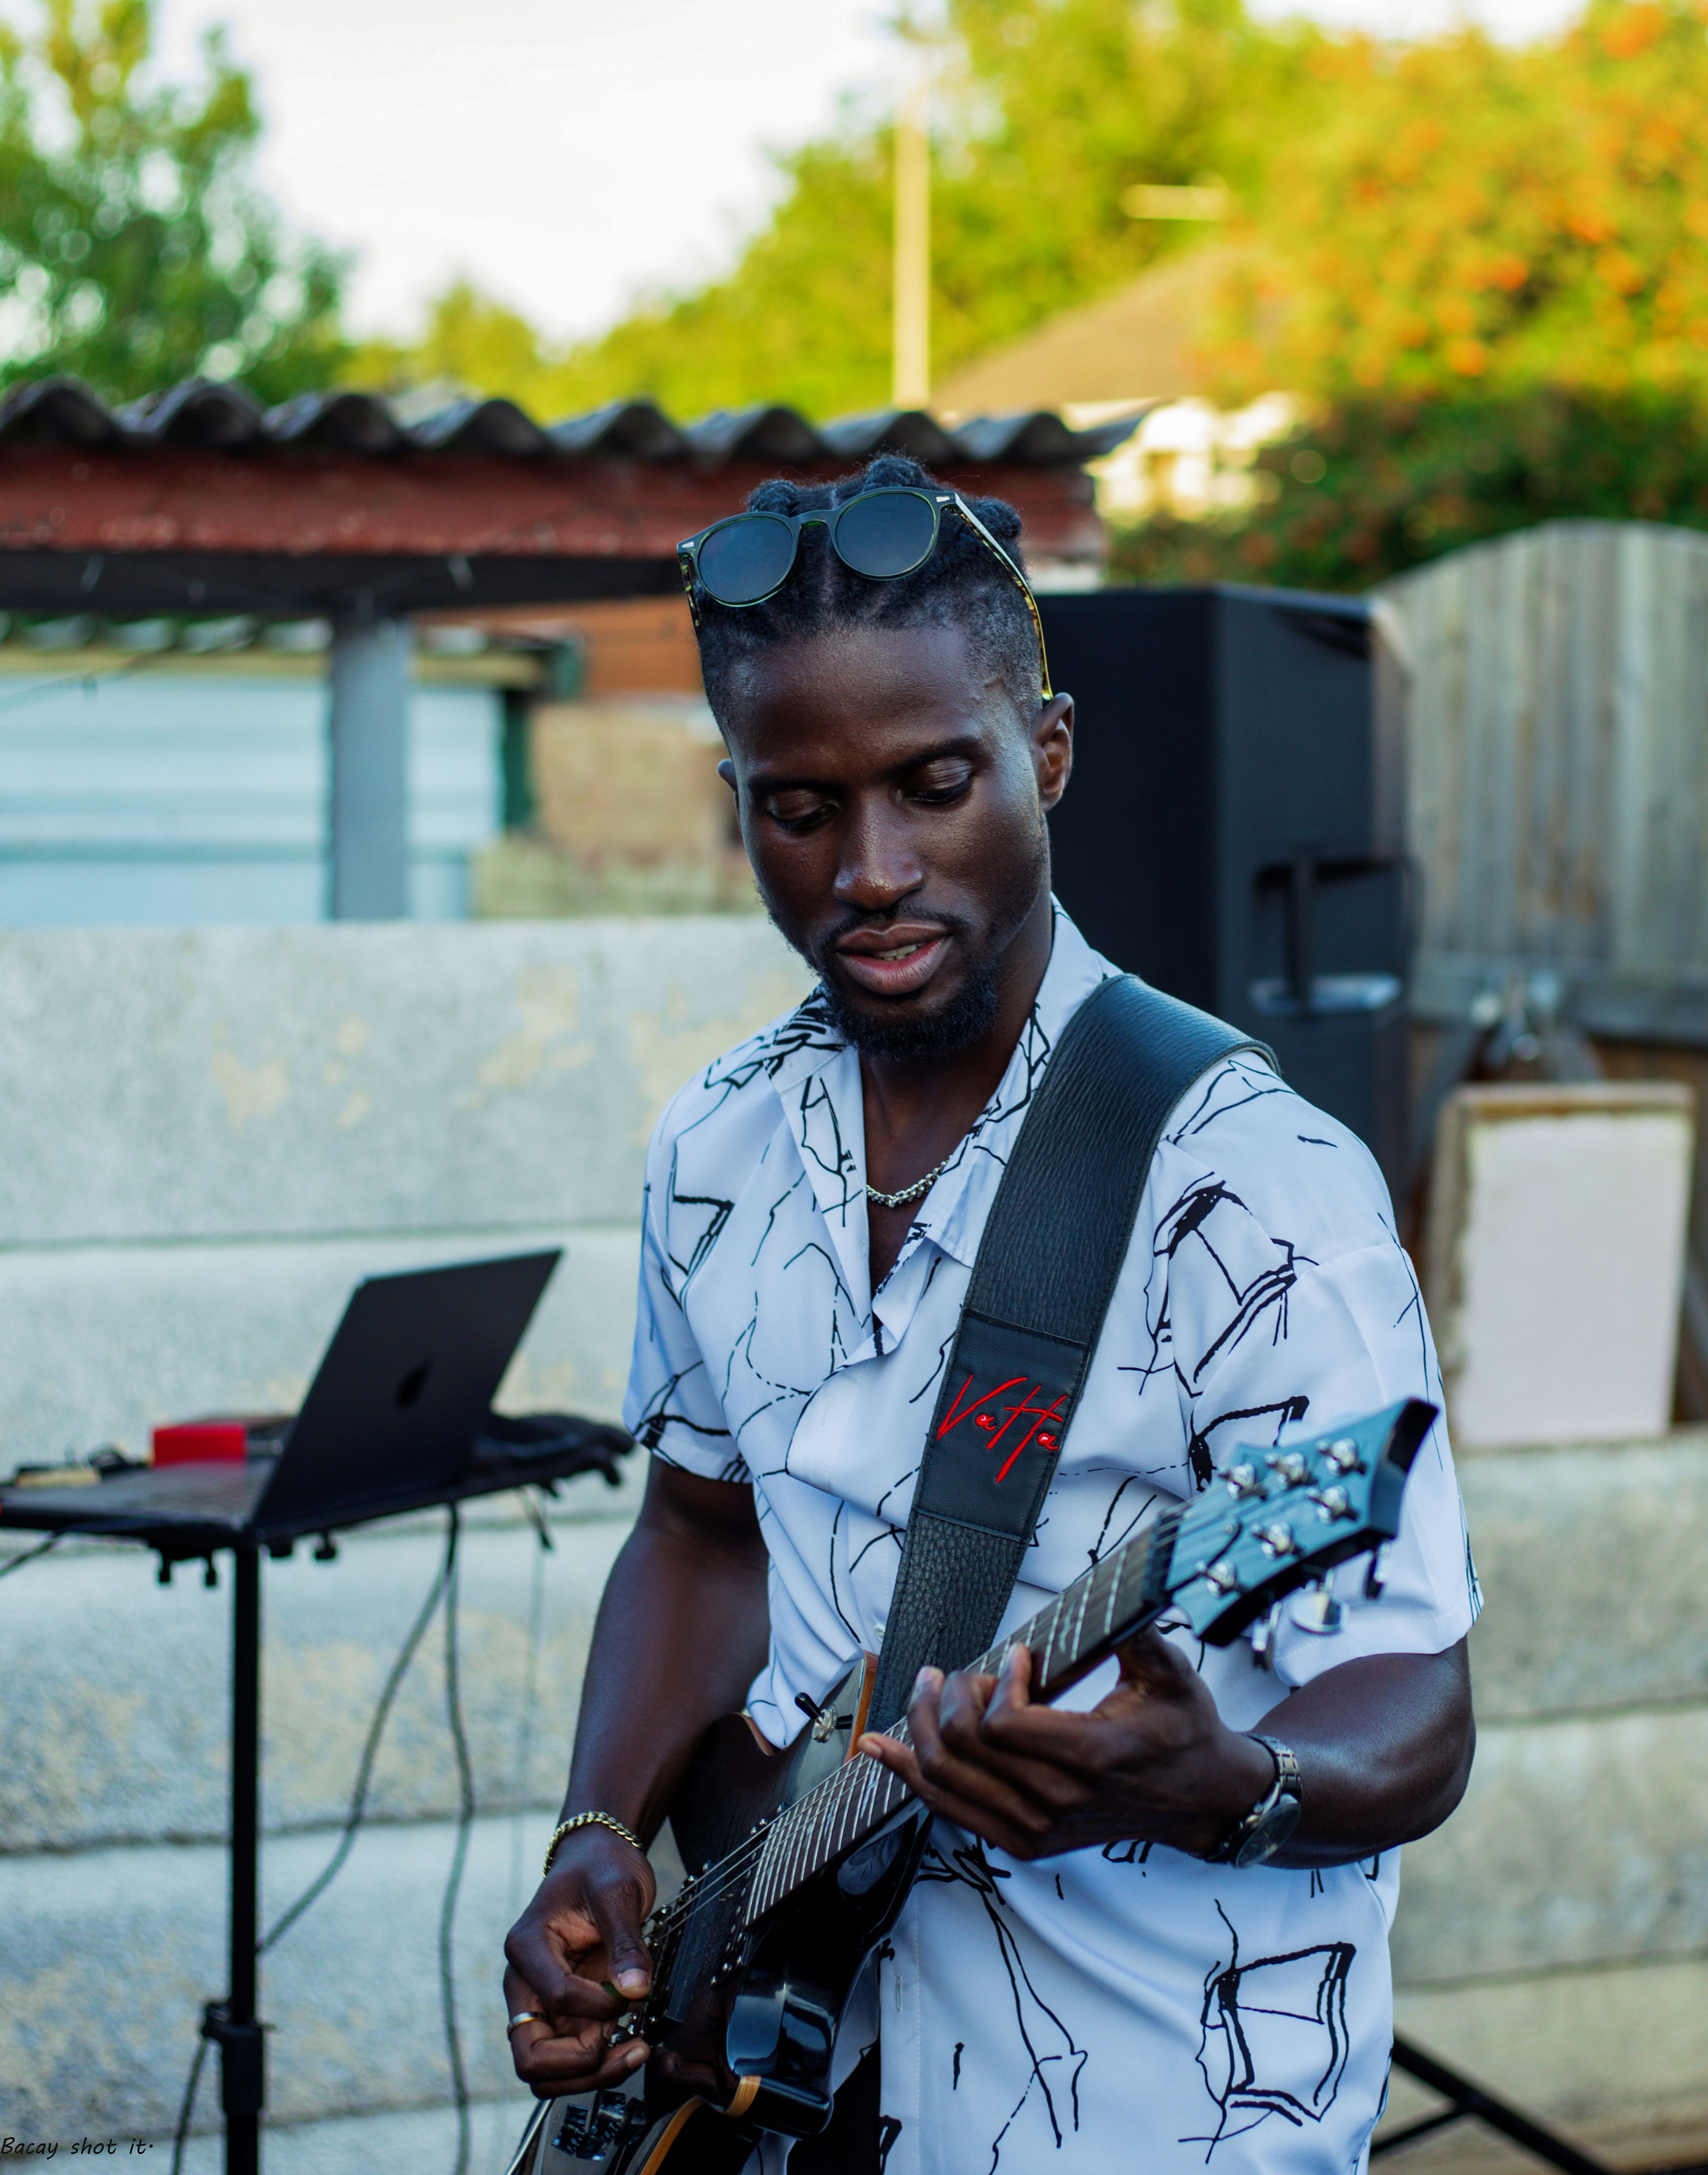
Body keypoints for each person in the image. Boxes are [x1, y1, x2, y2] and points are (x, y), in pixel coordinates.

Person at [503, 454, 1478, 2173]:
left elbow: (1413, 1699)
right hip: (802, 2084)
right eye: (799, 808)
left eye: (934, 784)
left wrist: (1219, 1776)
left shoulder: (1253, 1184)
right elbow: (702, 1535)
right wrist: (603, 1829)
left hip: (1156, 2114)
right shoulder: (717, 1142)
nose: (870, 869)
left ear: (1048, 751)